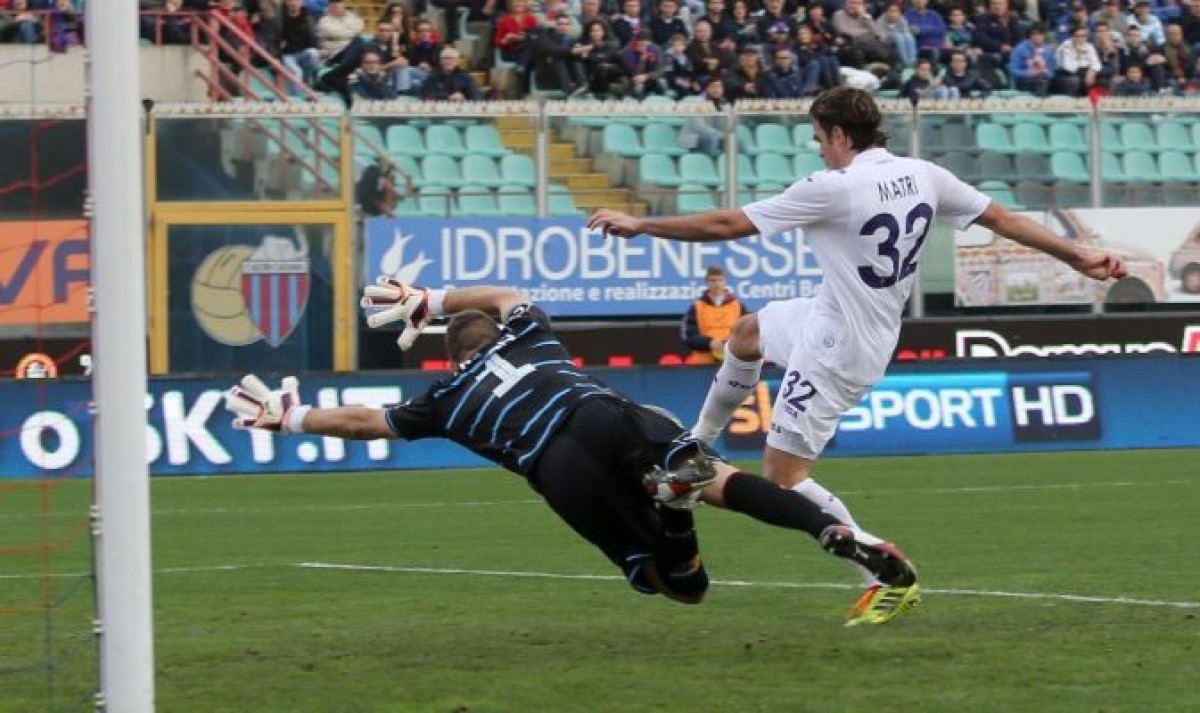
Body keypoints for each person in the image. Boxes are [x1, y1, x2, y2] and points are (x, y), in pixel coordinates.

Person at [586, 86, 1128, 622]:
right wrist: (1076, 254)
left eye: (820, 138)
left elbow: (730, 224)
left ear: (841, 135)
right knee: (747, 333)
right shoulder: (924, 174)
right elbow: (1004, 219)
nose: (819, 148)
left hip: (839, 347)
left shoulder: (835, 187)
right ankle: (699, 445)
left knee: (782, 477)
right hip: (834, 318)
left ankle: (882, 575)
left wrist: (643, 224)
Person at [224, 280, 918, 613]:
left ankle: (672, 513)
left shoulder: (444, 398)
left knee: (680, 586)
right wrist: (432, 299)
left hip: (558, 466)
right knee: (722, 480)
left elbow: (365, 422)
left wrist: (293, 416)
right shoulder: (528, 336)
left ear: (450, 357)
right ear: (494, 335)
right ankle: (829, 530)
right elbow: (508, 293)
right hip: (603, 413)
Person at [681, 265, 745, 365]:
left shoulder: (738, 306)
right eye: (713, 280)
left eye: (720, 280)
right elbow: (688, 336)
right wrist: (709, 343)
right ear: (707, 283)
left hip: (732, 362)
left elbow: (747, 333)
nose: (717, 284)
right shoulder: (697, 307)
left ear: (725, 282)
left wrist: (730, 343)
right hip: (703, 364)